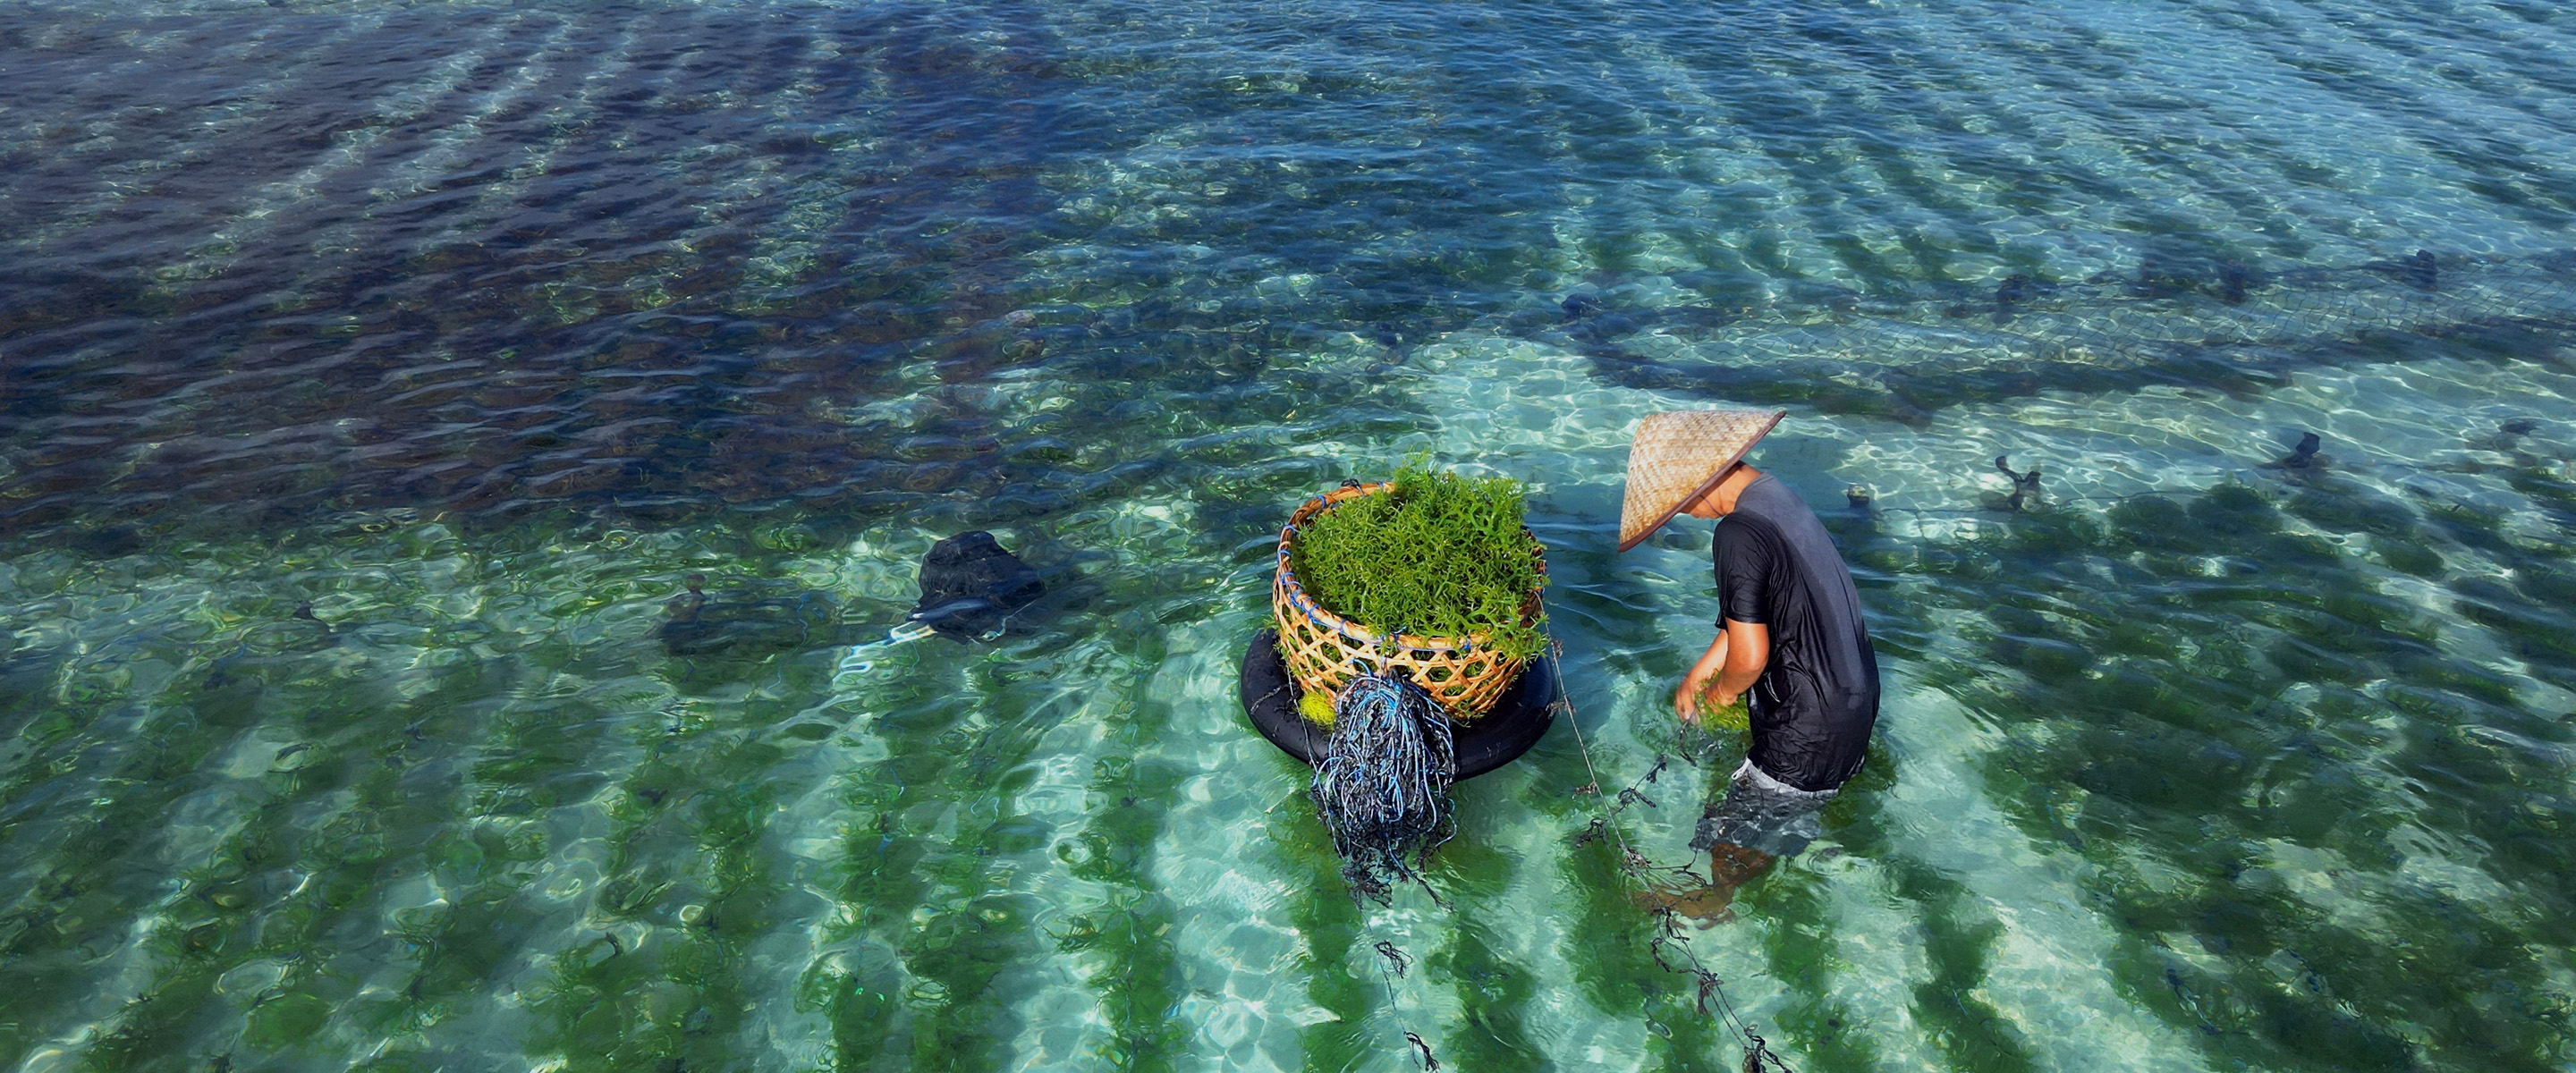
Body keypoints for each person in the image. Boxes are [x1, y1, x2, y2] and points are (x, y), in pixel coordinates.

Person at [1617, 409, 1881, 918]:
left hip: (1808, 720)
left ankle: (1718, 898)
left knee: (1737, 818)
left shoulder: (1735, 533)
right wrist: (1701, 670)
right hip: (1853, 697)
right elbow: (1762, 608)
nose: (1684, 515)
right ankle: (1754, 878)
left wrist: (1723, 693)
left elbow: (1752, 656)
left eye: (1678, 503)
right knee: (1780, 812)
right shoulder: (1776, 497)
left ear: (1700, 482)